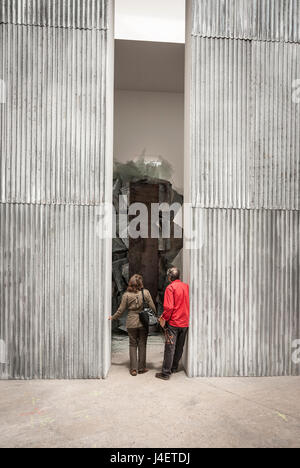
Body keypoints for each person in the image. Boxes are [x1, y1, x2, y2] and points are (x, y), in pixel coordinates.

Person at [109, 274, 157, 376]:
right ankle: (141, 368)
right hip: (143, 322)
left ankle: (133, 369)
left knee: (132, 344)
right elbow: (152, 306)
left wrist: (113, 317)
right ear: (140, 283)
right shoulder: (146, 292)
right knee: (142, 344)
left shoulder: (126, 295)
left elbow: (121, 310)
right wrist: (156, 315)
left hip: (131, 322)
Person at [156, 267, 190, 380]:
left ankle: (166, 373)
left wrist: (163, 318)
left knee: (170, 347)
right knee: (180, 347)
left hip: (174, 323)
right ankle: (174, 367)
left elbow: (169, 307)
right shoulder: (186, 286)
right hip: (185, 322)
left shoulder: (170, 288)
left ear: (169, 277)